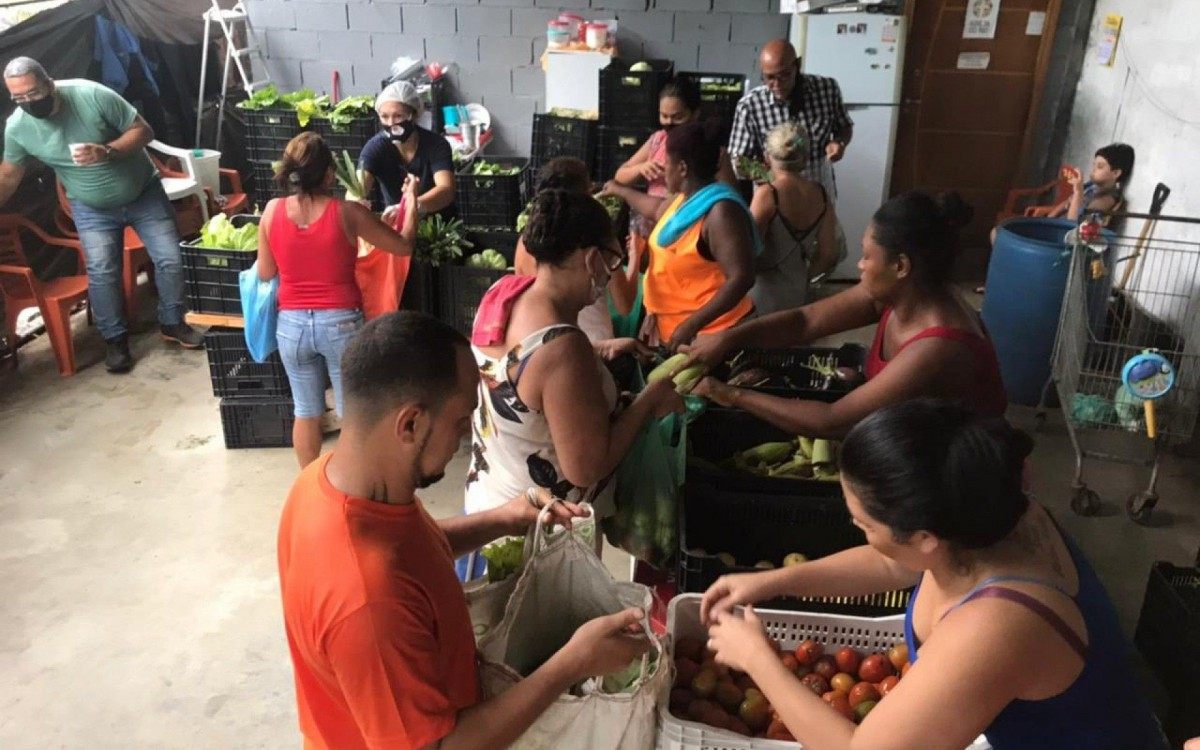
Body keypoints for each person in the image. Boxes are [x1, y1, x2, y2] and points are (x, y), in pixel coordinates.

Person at [278, 310, 652, 750]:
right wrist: (571, 664)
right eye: (461, 421)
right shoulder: (367, 603)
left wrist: (505, 517)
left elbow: (410, 548)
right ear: (410, 424)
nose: (465, 438)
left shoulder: (329, 482)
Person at [701, 400, 1168, 750]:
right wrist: (773, 582)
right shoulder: (988, 514)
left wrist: (758, 658)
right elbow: (892, 561)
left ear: (925, 535)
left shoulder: (998, 626)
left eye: (864, 524)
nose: (858, 532)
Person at [462, 190, 684, 579]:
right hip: (540, 537)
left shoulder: (505, 294)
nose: (611, 273)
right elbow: (586, 468)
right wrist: (649, 400)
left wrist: (600, 350)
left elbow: (520, 372)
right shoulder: (564, 348)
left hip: (489, 508)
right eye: (613, 260)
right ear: (592, 258)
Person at [686, 191, 1006, 438]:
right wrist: (727, 338)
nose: (860, 265)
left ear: (900, 266)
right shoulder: (901, 293)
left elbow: (832, 421)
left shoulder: (938, 349)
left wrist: (727, 393)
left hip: (963, 478)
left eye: (867, 256)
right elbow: (805, 322)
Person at [0, 56, 203, 373]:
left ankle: (172, 321)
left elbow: (143, 131)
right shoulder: (18, 127)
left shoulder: (90, 95)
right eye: (18, 97)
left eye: (33, 93)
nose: (27, 102)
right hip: (90, 206)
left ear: (49, 84)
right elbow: (9, 176)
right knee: (102, 271)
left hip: (143, 193)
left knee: (171, 258)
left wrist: (108, 151)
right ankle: (115, 341)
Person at [256, 132, 417, 468]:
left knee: (306, 411)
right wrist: (411, 202)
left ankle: (309, 485)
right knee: (352, 413)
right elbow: (402, 245)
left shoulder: (271, 212)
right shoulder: (346, 213)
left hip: (291, 327)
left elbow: (265, 273)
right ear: (328, 174)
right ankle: (349, 485)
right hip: (341, 324)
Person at [602, 119, 757, 349]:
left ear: (682, 168)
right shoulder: (685, 200)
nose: (663, 169)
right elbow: (655, 209)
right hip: (678, 330)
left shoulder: (720, 212)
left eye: (666, 163)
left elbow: (741, 278)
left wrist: (691, 325)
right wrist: (619, 190)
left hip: (714, 335)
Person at [512, 157, 638, 345]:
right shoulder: (599, 240)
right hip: (596, 344)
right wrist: (635, 255)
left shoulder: (527, 241)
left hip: (540, 340)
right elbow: (624, 305)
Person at [728, 40, 853, 196]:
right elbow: (738, 162)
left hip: (819, 188)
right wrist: (774, 176)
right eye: (770, 78)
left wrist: (839, 142)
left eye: (784, 75)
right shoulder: (750, 106)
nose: (777, 84)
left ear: (797, 66)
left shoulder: (827, 89)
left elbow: (844, 126)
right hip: (774, 193)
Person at [612, 78, 735, 235]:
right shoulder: (658, 140)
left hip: (689, 228)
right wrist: (641, 168)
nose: (669, 123)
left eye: (677, 117)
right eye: (664, 116)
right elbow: (620, 175)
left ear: (695, 114)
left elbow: (728, 196)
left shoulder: (710, 149)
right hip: (652, 227)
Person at [748, 120, 844, 314]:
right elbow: (829, 254)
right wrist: (805, 276)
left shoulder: (767, 194)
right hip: (798, 292)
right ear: (805, 158)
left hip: (761, 293)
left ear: (767, 158)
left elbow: (748, 250)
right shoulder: (821, 195)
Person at [358, 80, 456, 221]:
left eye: (398, 116)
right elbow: (358, 186)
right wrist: (356, 201)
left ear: (414, 115)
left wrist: (413, 206)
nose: (391, 123)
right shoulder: (376, 147)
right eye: (384, 116)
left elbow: (446, 190)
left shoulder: (436, 145)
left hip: (439, 225)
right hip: (397, 224)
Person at [1052, 142, 1134, 222]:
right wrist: (1049, 219)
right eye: (1094, 165)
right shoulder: (1091, 186)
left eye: (1100, 167)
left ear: (1115, 173)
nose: (1094, 169)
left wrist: (1078, 193)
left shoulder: (1107, 199)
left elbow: (1073, 225)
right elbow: (1063, 205)